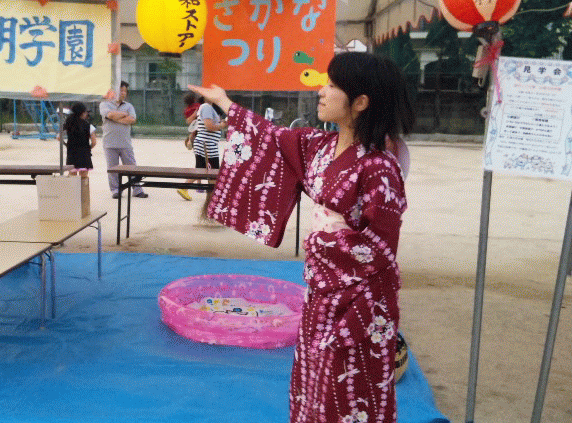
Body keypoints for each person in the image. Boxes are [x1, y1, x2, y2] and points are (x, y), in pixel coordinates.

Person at [189, 51, 414, 423]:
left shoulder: (380, 168)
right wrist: (225, 102)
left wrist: (322, 243)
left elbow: (379, 252)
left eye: (332, 85)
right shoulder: (321, 146)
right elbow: (273, 137)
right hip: (320, 294)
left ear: (360, 103)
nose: (321, 93)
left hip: (358, 303)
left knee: (348, 392)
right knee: (313, 382)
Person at [99, 81, 147, 199]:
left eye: (125, 91)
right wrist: (122, 115)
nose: (123, 93)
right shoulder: (104, 104)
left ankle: (137, 189)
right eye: (121, 90)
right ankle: (116, 190)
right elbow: (109, 115)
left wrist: (115, 117)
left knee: (131, 166)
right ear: (114, 91)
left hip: (125, 143)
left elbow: (131, 120)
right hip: (110, 143)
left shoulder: (129, 106)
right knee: (112, 168)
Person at [177, 95, 227, 201]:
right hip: (207, 145)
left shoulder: (206, 107)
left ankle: (184, 188)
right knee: (213, 172)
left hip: (204, 143)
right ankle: (214, 197)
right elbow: (209, 126)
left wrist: (220, 123)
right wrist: (222, 125)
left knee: (201, 169)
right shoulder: (207, 107)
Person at [61, 103, 97, 178]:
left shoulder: (68, 124)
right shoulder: (88, 126)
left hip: (71, 153)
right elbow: (94, 142)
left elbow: (59, 137)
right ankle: (84, 190)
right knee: (84, 177)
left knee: (72, 177)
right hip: (84, 154)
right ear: (82, 113)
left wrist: (66, 145)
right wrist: (88, 148)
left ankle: (73, 190)